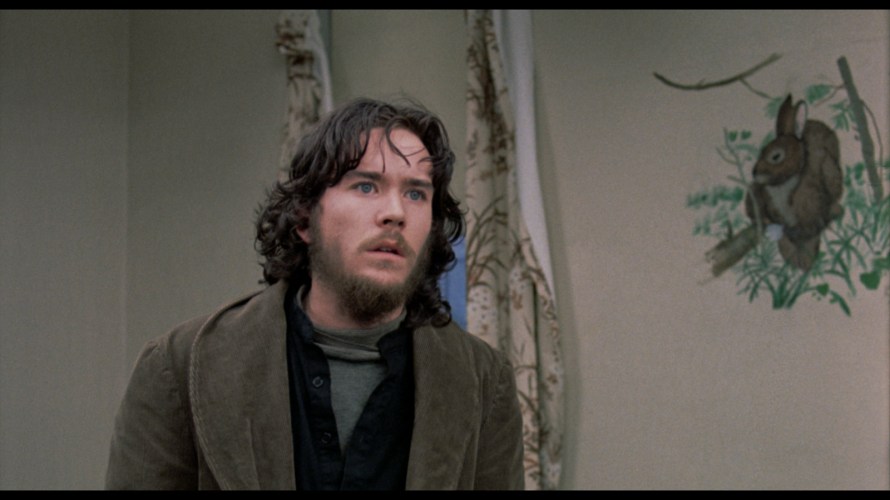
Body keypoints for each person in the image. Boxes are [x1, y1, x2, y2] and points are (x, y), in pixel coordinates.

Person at [104, 97, 525, 490]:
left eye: (416, 193)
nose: (395, 212)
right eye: (366, 186)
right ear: (305, 219)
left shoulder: (484, 382)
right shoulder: (179, 367)